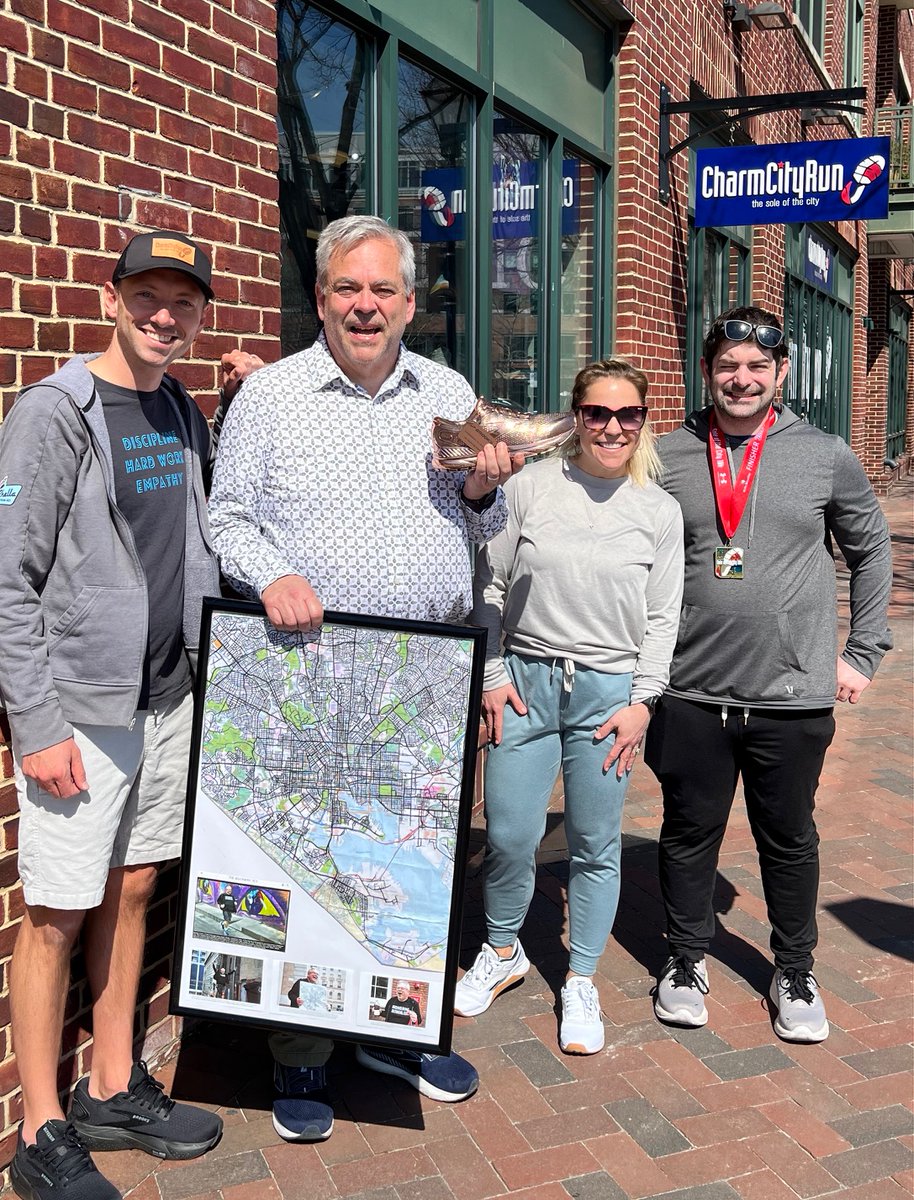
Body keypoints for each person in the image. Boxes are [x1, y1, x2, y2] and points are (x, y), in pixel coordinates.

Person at [208, 214, 524, 1144]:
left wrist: (481, 487)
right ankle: (299, 1052)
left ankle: (395, 1029)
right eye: (349, 288)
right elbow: (227, 521)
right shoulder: (271, 397)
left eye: (384, 291)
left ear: (411, 305)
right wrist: (273, 573)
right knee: (309, 859)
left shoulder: (450, 390)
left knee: (412, 863)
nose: (366, 305)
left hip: (423, 668)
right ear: (319, 298)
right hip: (308, 670)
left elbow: (477, 518)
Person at [0, 229, 261, 1200]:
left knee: (139, 883)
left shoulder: (178, 409)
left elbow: (187, 534)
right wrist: (39, 724)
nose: (164, 316)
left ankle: (112, 1084)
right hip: (82, 709)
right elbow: (8, 579)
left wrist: (239, 404)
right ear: (111, 296)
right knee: (57, 913)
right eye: (147, 296)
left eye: (183, 302)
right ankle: (42, 1128)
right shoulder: (54, 413)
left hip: (166, 695)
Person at [645, 305, 893, 1044]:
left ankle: (794, 969)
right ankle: (686, 960)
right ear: (707, 372)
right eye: (727, 366)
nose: (741, 379)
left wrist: (862, 652)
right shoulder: (666, 455)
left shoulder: (825, 454)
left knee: (788, 838)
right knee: (689, 833)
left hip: (791, 694)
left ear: (780, 373)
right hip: (690, 689)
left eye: (757, 367)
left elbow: (872, 548)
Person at [454, 358, 685, 1055]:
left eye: (627, 415)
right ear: (575, 418)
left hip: (607, 693)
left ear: (643, 423)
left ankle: (579, 976)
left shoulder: (658, 509)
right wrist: (491, 671)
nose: (611, 428)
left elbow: (664, 618)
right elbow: (486, 583)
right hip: (525, 680)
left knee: (593, 842)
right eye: (597, 413)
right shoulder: (529, 487)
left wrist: (644, 701)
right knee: (511, 834)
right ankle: (502, 951)